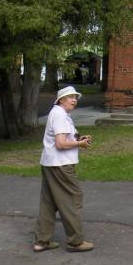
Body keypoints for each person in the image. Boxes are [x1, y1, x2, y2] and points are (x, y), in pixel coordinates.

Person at [34, 85, 94, 253]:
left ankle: (42, 241)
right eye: (70, 97)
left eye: (75, 97)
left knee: (49, 202)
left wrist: (79, 139)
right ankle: (75, 242)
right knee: (72, 198)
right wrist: (79, 143)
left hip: (50, 163)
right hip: (60, 165)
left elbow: (63, 137)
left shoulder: (59, 114)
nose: (74, 100)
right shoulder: (60, 115)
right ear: (61, 100)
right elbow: (60, 144)